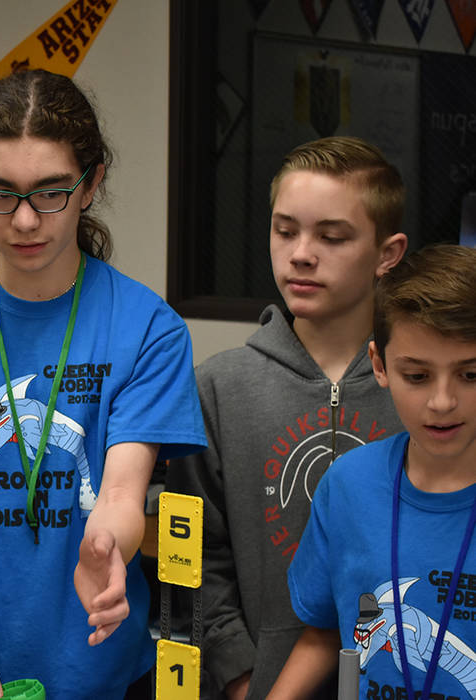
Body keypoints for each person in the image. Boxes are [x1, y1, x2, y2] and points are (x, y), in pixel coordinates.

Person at [0, 69, 207, 700]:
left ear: (91, 184)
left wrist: (106, 546)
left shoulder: (147, 329)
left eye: (51, 192)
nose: (24, 220)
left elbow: (121, 490)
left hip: (100, 670)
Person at [164, 136, 409, 699]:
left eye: (332, 236)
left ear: (387, 253)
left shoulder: (421, 390)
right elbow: (194, 555)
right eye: (285, 230)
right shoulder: (218, 387)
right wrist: (240, 674)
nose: (301, 253)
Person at [268, 244, 476, 699]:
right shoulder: (349, 484)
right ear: (380, 365)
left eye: (470, 375)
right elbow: (326, 631)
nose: (443, 402)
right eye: (417, 376)